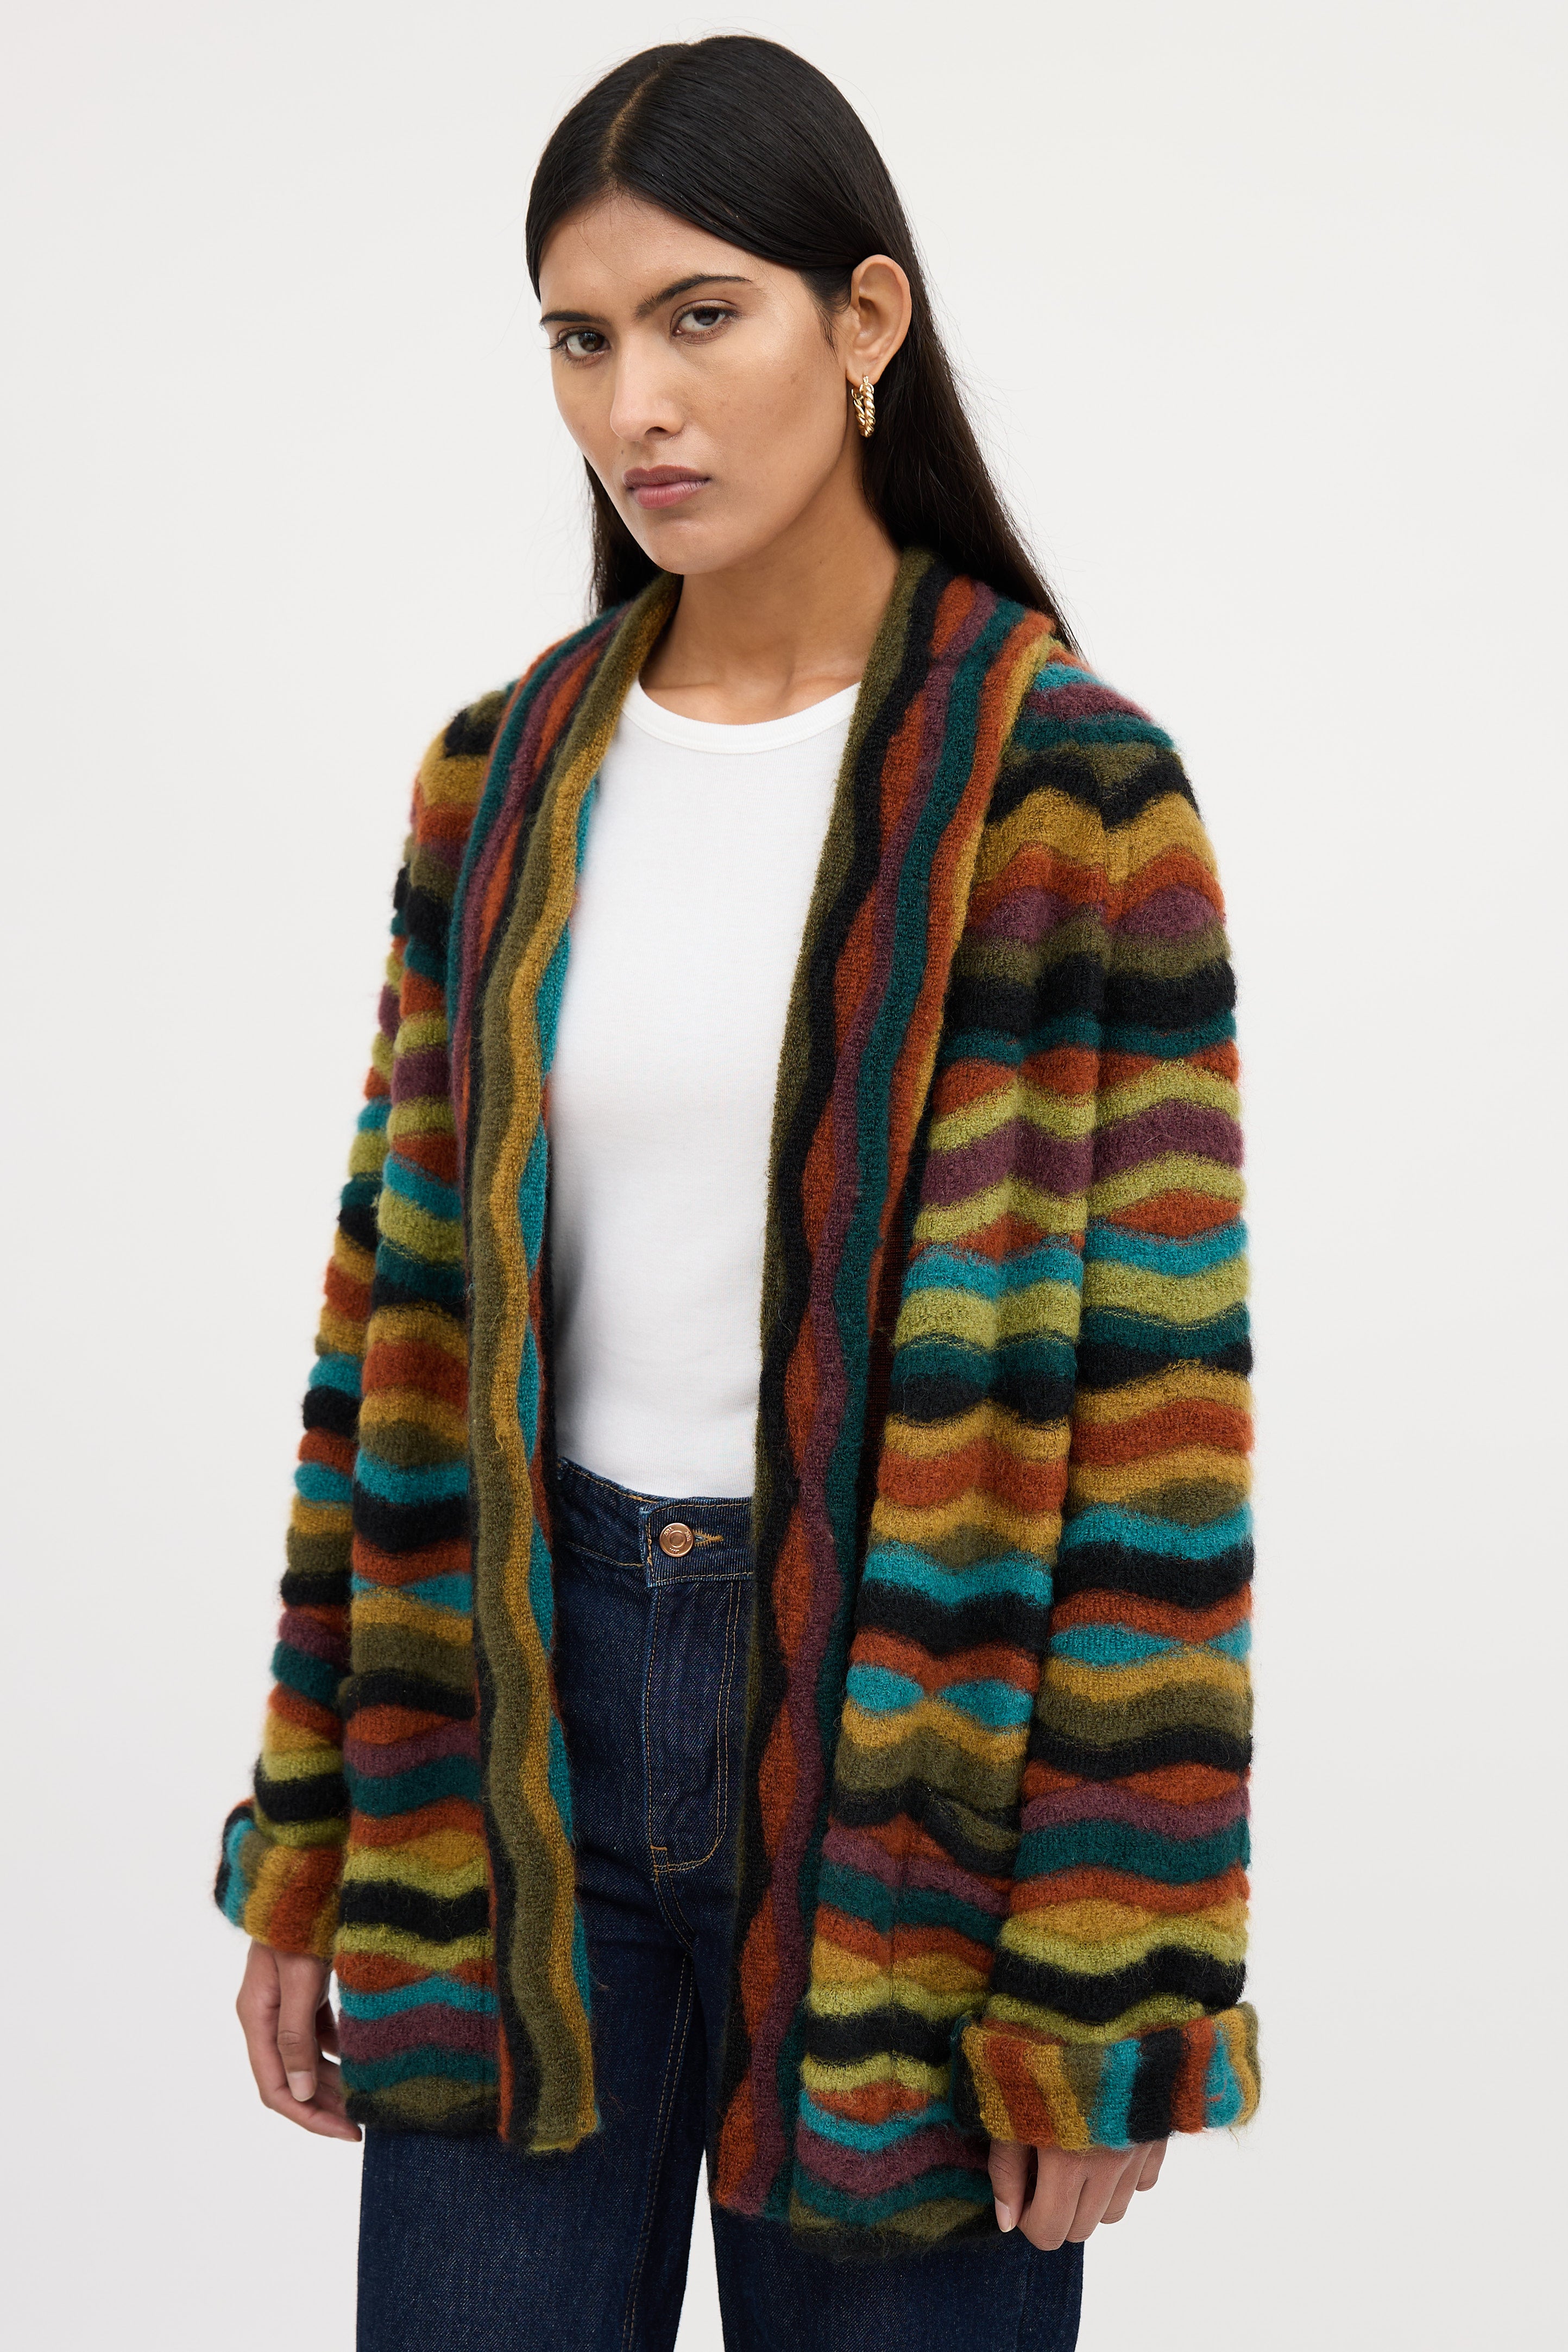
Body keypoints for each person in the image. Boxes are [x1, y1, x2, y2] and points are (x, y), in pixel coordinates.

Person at [218, 35, 1258, 2352]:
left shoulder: (1070, 794)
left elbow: (1161, 1432)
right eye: (583, 340)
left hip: (919, 1781)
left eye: (704, 316)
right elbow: (381, 1341)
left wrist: (1114, 1970)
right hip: (509, 1749)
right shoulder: (498, 781)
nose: (638, 405)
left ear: (864, 319)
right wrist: (310, 1827)